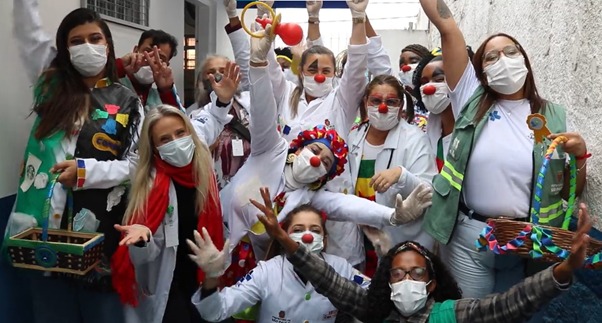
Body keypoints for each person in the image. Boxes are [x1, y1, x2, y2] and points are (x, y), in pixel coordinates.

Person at [220, 26, 433, 287]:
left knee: (323, 287)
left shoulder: (312, 192)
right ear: (296, 148)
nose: (315, 161)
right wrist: (254, 57)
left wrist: (392, 216)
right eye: (312, 69)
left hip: (309, 237)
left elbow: (346, 206)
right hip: (232, 238)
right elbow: (262, 99)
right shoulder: (270, 149)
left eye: (326, 162)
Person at [420, 0, 589, 299]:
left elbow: (568, 192)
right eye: (492, 57)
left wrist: (579, 155)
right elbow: (447, 28)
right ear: (480, 71)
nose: (504, 60)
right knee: (470, 316)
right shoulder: (469, 99)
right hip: (470, 236)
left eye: (512, 52)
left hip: (526, 242)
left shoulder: (554, 115)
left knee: (513, 313)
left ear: (525, 60)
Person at [4, 1, 143, 323]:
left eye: (95, 38)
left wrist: (85, 172)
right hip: (42, 234)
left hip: (100, 237)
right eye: (76, 40)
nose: (87, 46)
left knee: (103, 314)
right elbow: (28, 34)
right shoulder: (50, 88)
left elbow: (138, 166)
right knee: (51, 313)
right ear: (65, 50)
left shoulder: (128, 101)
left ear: (108, 45)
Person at [258, 194, 592, 322]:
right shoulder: (374, 310)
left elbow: (511, 303)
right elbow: (327, 279)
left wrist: (564, 270)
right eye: (399, 274)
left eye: (416, 274)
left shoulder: (452, 315)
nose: (407, 280)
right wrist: (283, 238)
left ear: (431, 283)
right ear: (386, 282)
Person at [109, 63, 240, 323]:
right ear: (154, 148)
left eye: (181, 133)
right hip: (169, 282)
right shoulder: (150, 184)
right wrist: (140, 238)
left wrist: (224, 99)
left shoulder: (200, 155)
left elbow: (212, 119)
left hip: (207, 271)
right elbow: (147, 254)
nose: (177, 142)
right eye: (165, 139)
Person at [188, 202, 369, 322]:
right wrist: (212, 277)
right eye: (298, 229)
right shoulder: (266, 272)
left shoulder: (341, 268)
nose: (307, 236)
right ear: (284, 236)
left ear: (325, 239)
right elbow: (215, 312)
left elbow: (376, 297)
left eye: (315, 230)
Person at [349, 75, 438, 253]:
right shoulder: (354, 137)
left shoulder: (414, 138)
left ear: (400, 106)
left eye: (391, 102)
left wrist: (401, 175)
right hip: (360, 237)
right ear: (366, 102)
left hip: (399, 238)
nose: (383, 107)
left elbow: (429, 191)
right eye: (376, 100)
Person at [188, 0, 253, 190]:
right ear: (202, 78)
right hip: (214, 192)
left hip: (251, 188)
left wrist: (233, 16)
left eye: (223, 70)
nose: (217, 75)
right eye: (211, 71)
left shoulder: (249, 104)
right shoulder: (194, 115)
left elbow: (246, 59)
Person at [411, 47, 473, 170]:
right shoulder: (430, 130)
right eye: (424, 82)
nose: (429, 87)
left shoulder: (476, 129)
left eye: (438, 79)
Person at [118, 30, 184, 113]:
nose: (151, 60)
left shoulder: (160, 98)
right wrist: (119, 66)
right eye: (147, 52)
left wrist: (166, 91)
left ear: (166, 64)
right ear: (135, 51)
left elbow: (180, 122)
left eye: (160, 58)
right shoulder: (115, 82)